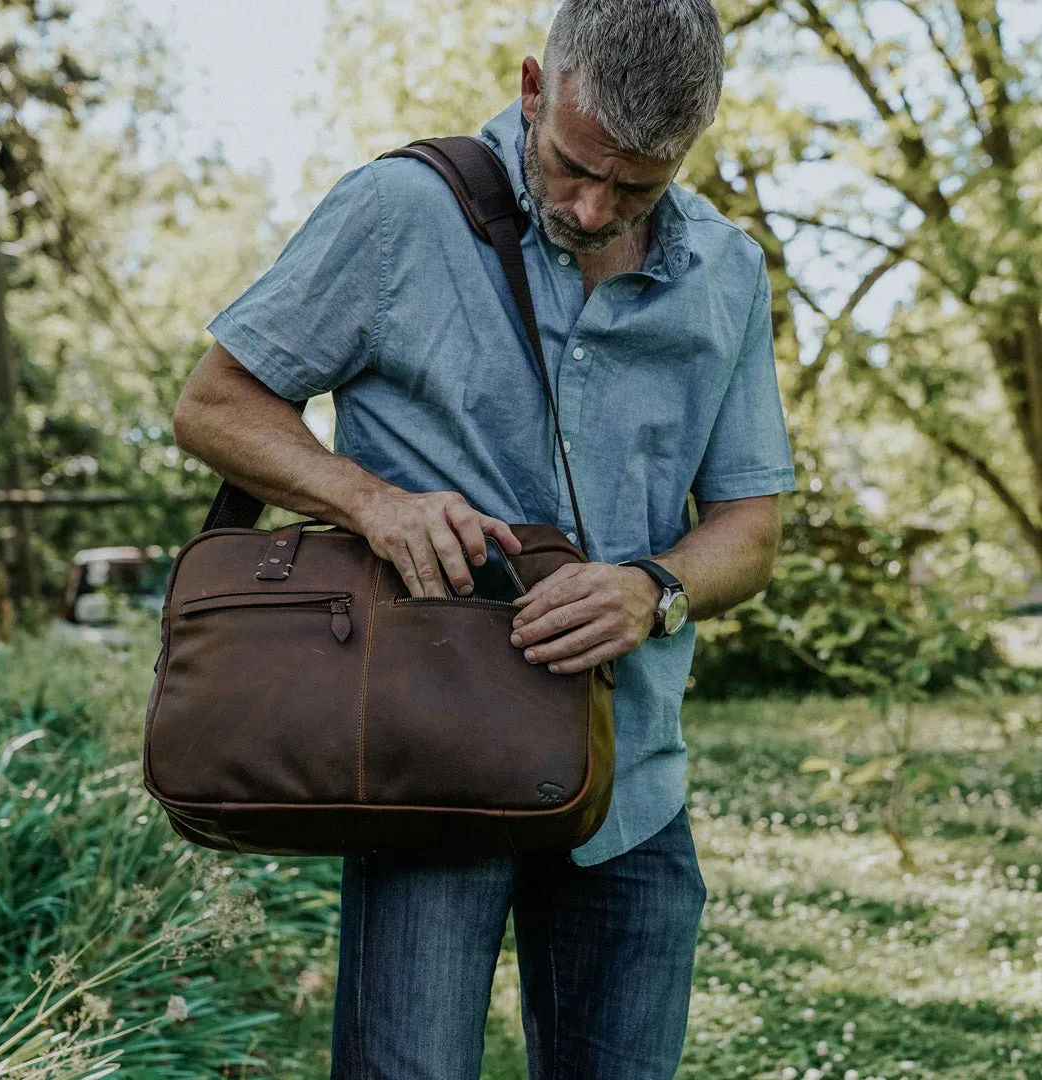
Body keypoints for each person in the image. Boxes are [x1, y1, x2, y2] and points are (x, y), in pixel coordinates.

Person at [173, 0, 797, 1075]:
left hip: (631, 786)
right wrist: (370, 501)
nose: (593, 207)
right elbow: (214, 405)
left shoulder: (728, 276)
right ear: (531, 88)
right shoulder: (397, 211)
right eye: (572, 164)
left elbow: (748, 526)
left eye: (636, 186)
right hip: (425, 769)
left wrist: (654, 588)